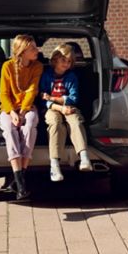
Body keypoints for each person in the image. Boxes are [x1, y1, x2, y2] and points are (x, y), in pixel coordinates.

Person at [0, 34, 43, 200]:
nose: (37, 50)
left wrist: (23, 112)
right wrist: (12, 113)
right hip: (8, 109)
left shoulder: (37, 66)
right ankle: (21, 183)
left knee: (30, 126)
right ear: (22, 51)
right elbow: (3, 94)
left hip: (27, 108)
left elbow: (32, 90)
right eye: (33, 48)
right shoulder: (7, 66)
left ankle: (18, 183)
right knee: (10, 131)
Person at [40, 43, 92, 182]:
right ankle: (55, 165)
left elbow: (74, 98)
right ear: (55, 59)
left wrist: (54, 99)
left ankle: (84, 157)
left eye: (69, 61)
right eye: (64, 60)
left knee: (75, 120)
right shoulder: (46, 76)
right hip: (52, 108)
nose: (67, 64)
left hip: (69, 107)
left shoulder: (72, 76)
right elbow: (43, 99)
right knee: (55, 124)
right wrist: (58, 105)